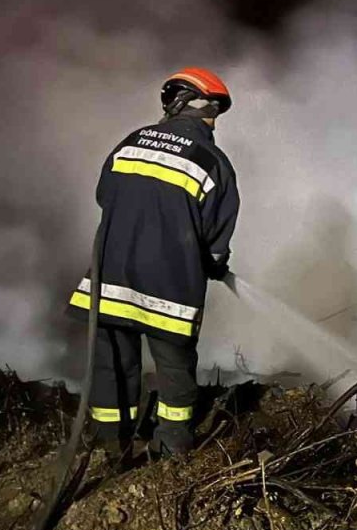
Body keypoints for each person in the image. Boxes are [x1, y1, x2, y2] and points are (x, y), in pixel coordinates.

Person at [67, 67, 240, 456]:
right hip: (170, 290)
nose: (214, 120)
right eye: (214, 111)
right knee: (175, 371)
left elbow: (104, 196)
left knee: (112, 366)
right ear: (200, 107)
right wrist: (214, 264)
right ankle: (170, 451)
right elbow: (216, 239)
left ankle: (112, 447)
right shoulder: (213, 161)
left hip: (111, 278)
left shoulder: (130, 142)